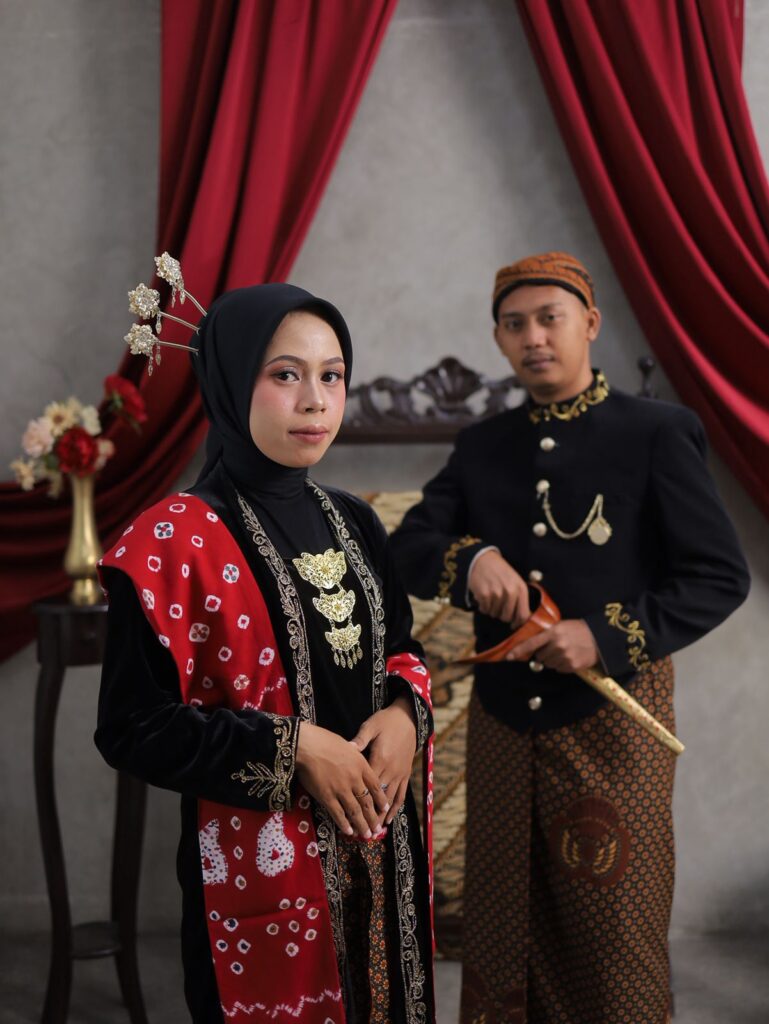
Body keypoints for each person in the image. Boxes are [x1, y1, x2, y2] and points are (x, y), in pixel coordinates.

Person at [389, 252, 750, 1023]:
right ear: (498, 338)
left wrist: (603, 635)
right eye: (513, 324)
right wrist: (470, 558)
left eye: (548, 318)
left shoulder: (656, 431)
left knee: (613, 927)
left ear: (588, 323)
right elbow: (411, 544)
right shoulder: (481, 445)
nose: (532, 337)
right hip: (502, 723)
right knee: (501, 924)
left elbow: (718, 576)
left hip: (611, 720)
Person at [95, 284, 435, 1024]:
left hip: (382, 865)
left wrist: (405, 715)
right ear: (228, 379)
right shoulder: (169, 542)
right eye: (285, 374)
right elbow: (132, 727)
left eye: (331, 375)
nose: (315, 400)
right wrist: (294, 748)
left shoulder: (355, 521)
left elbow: (401, 651)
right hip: (263, 880)